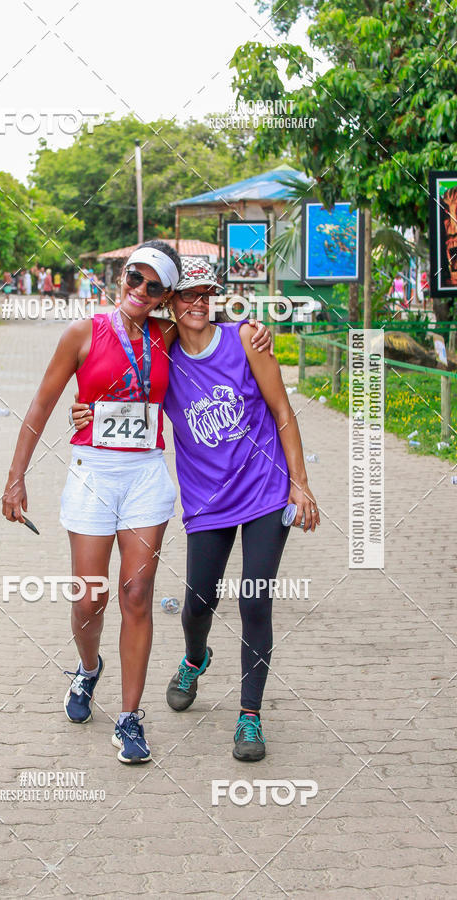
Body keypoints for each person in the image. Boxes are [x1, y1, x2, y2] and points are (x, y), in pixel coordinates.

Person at [2, 241, 272, 765]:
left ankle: (130, 719)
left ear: (163, 296)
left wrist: (255, 326)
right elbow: (42, 402)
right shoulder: (83, 332)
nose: (140, 291)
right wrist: (16, 478)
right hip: (92, 475)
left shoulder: (165, 334)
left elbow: (208, 319)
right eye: (134, 279)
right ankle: (87, 670)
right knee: (89, 598)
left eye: (153, 287)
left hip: (146, 477)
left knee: (138, 594)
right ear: (122, 278)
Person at [72, 257, 319, 762]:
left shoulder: (247, 339)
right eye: (188, 294)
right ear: (172, 301)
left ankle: (249, 716)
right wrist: (88, 411)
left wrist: (301, 484)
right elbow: (123, 376)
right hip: (207, 502)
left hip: (266, 492)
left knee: (254, 599)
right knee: (197, 604)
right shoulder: (160, 346)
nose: (199, 303)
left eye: (208, 294)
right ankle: (193, 658)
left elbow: (283, 412)